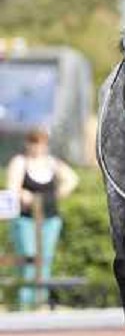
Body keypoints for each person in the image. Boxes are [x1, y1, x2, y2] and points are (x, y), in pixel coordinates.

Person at [6, 127, 79, 308]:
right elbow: (12, 188)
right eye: (34, 142)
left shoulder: (51, 163)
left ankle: (40, 301)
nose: (37, 147)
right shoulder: (20, 162)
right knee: (29, 260)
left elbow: (72, 179)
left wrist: (57, 194)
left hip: (49, 219)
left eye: (41, 143)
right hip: (26, 220)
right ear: (28, 143)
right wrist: (24, 195)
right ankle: (25, 304)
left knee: (45, 260)